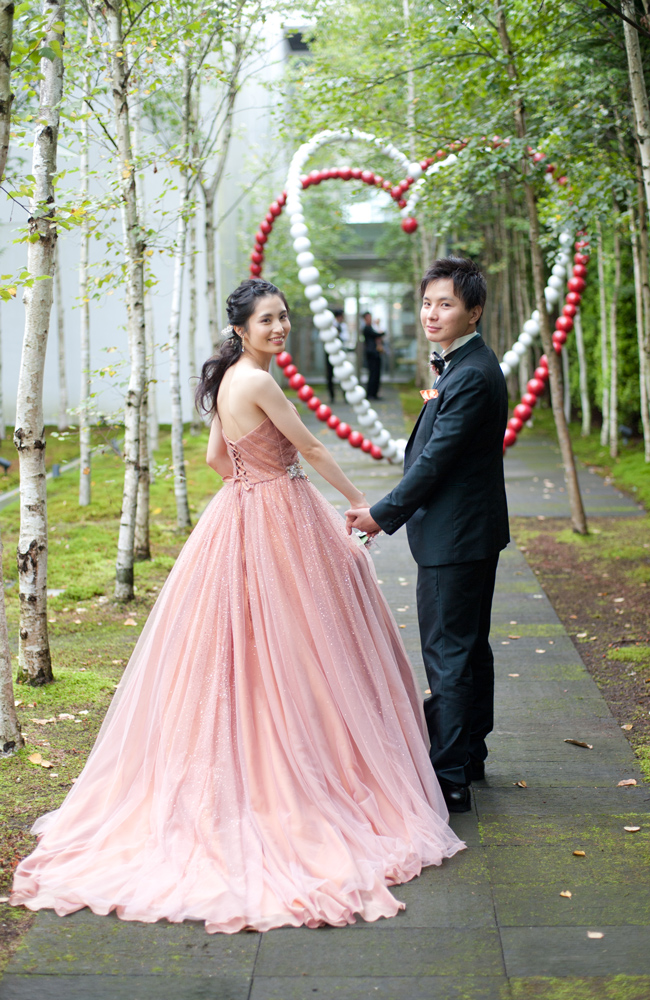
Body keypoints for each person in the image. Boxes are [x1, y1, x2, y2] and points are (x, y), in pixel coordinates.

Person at [11, 278, 463, 934]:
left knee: (246, 645)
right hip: (278, 508)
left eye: (284, 317)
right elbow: (307, 447)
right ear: (243, 329)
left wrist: (251, 485)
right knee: (305, 642)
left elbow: (216, 457)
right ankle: (306, 769)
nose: (279, 328)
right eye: (268, 321)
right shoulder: (257, 381)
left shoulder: (228, 381)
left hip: (241, 510)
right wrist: (355, 500)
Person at [346, 258, 509, 814]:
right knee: (468, 647)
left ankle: (450, 778)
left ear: (474, 310)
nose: (432, 313)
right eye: (427, 303)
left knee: (448, 653)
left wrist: (381, 513)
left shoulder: (470, 374)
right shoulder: (464, 365)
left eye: (446, 304)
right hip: (468, 530)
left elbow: (436, 460)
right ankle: (471, 755)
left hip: (456, 534)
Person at [324, 307, 350, 403]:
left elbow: (345, 338)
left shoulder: (343, 326)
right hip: (330, 353)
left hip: (339, 353)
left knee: (343, 374)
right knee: (330, 375)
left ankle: (345, 396)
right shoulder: (330, 326)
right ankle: (332, 396)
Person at [361, 310, 383, 400]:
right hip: (371, 354)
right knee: (373, 374)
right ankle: (371, 394)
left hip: (375, 353)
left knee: (376, 374)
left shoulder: (370, 327)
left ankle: (374, 393)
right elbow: (378, 334)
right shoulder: (367, 328)